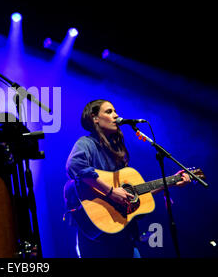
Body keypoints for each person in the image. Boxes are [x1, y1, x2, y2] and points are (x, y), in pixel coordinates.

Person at [64, 99, 190, 258]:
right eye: (109, 112)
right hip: (98, 242)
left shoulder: (117, 151)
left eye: (115, 111)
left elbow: (132, 194)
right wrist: (110, 192)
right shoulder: (87, 143)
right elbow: (75, 165)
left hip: (123, 236)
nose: (116, 115)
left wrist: (170, 182)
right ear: (95, 118)